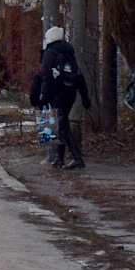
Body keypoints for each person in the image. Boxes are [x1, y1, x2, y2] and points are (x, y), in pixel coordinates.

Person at [39, 26, 91, 170]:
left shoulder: (50, 53)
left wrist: (43, 94)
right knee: (62, 123)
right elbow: (79, 76)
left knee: (63, 126)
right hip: (70, 93)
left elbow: (46, 76)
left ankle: (77, 158)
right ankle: (59, 160)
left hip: (57, 93)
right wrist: (85, 98)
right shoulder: (69, 53)